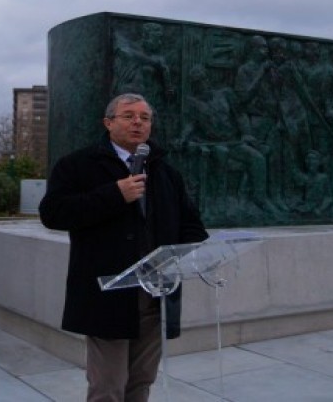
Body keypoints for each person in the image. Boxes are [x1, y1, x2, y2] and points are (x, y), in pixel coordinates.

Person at [39, 93, 207, 402]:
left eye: (144, 118)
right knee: (108, 387)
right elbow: (53, 214)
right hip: (108, 294)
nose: (138, 123)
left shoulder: (166, 172)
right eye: (128, 116)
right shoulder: (78, 165)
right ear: (108, 123)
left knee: (141, 382)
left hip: (156, 295)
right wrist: (114, 195)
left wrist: (182, 257)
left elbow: (192, 227)